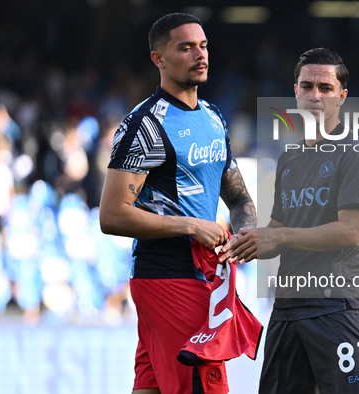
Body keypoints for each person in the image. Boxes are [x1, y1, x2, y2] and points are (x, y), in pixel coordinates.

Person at [99, 13, 256, 394]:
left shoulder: (215, 118)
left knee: (151, 387)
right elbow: (112, 214)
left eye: (202, 46)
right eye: (185, 48)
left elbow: (236, 195)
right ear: (159, 59)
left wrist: (247, 231)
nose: (199, 55)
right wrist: (191, 225)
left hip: (200, 275)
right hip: (168, 275)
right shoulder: (146, 124)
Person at [231, 48, 359, 393]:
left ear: (342, 96)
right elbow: (276, 231)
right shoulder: (289, 159)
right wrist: (244, 240)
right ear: (295, 92)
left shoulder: (356, 153)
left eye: (325, 88)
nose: (315, 95)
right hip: (288, 308)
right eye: (307, 86)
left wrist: (279, 237)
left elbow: (351, 231)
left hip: (339, 307)